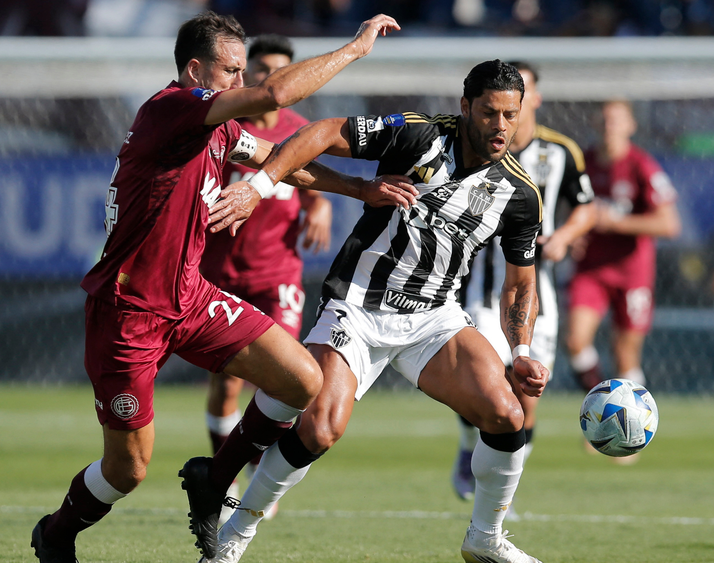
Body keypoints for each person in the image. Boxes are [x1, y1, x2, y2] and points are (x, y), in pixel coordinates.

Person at [29, 11, 412, 563]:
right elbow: (276, 94)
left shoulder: (216, 127)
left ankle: (215, 478)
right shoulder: (172, 110)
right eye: (231, 71)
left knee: (302, 379)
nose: (240, 83)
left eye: (241, 71)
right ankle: (58, 531)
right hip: (128, 313)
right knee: (128, 468)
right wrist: (354, 50)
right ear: (194, 69)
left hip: (190, 298)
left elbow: (282, 162)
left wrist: (359, 188)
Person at [206, 59, 549, 563]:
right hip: (358, 306)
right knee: (321, 427)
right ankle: (235, 534)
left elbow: (521, 286)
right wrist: (259, 188)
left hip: (435, 319)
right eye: (489, 112)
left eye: (510, 115)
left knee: (505, 413)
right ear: (465, 107)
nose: (500, 126)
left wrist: (520, 349)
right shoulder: (419, 137)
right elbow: (322, 132)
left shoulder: (520, 195)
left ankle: (486, 538)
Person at [198, 33, 332, 521]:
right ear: (248, 73)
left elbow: (310, 177)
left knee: (284, 374)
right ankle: (224, 473)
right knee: (226, 387)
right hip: (220, 275)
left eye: (281, 69)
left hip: (278, 275)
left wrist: (319, 208)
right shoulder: (221, 124)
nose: (271, 77)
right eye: (262, 69)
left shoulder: (300, 129)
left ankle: (257, 468)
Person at [453, 61, 596, 506]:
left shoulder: (561, 152)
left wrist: (564, 238)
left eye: (521, 95)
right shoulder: (478, 148)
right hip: (479, 286)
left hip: (538, 294)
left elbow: (587, 207)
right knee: (486, 386)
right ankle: (467, 445)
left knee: (526, 399)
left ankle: (502, 496)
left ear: (531, 98)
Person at [566, 100, 681, 393]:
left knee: (625, 355)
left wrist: (617, 222)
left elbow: (669, 224)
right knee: (575, 341)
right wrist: (572, 235)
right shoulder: (583, 164)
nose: (609, 126)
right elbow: (567, 210)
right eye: (604, 119)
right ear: (595, 123)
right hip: (591, 269)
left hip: (632, 273)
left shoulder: (641, 166)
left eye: (617, 120)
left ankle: (632, 426)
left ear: (631, 126)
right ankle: (599, 413)